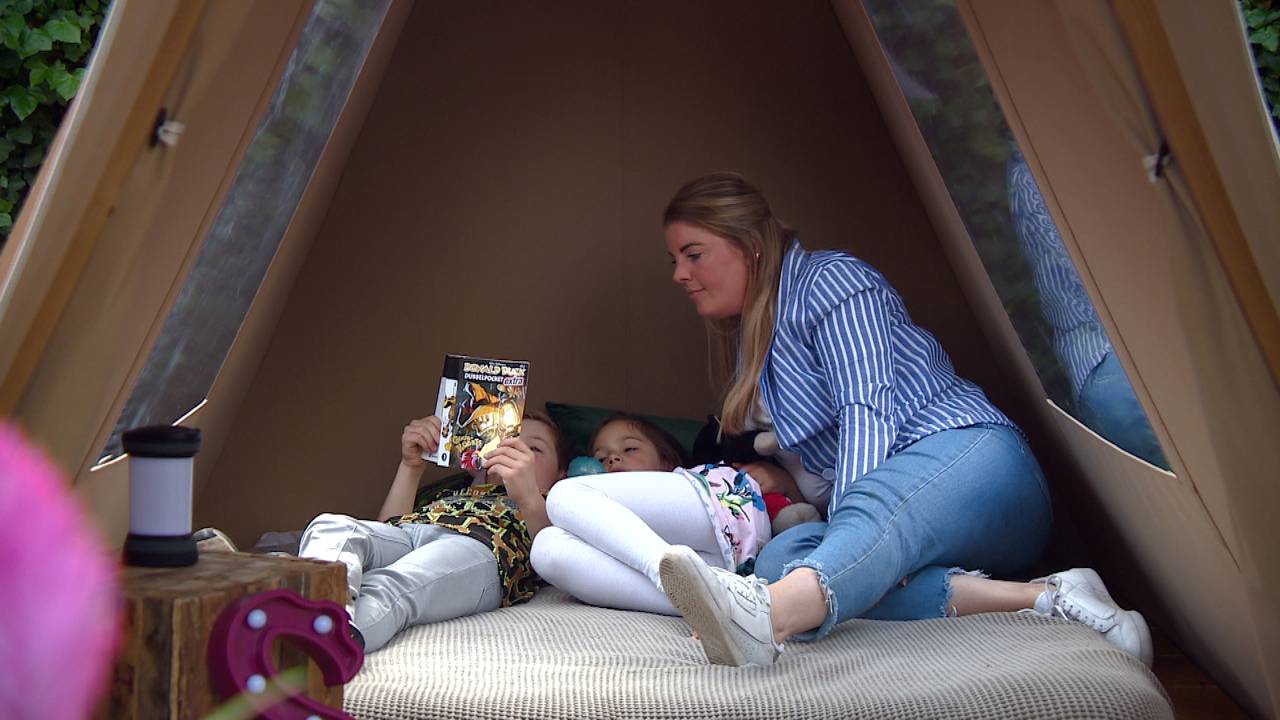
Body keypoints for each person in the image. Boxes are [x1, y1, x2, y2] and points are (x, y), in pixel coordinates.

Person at [652, 171, 1153, 668]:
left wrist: (848, 529)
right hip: (904, 527)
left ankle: (766, 619)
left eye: (693, 255)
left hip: (977, 463)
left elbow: (866, 411)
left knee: (852, 527)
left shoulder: (831, 281)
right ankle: (1046, 596)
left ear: (751, 247)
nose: (679, 275)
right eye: (675, 260)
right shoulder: (753, 339)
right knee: (781, 560)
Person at [298, 409, 567, 652]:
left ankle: (318, 645)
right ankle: (317, 616)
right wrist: (410, 467)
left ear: (561, 473)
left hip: (481, 546)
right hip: (413, 530)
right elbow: (386, 526)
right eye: (503, 441)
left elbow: (556, 559)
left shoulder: (555, 503)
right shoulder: (449, 491)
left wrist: (528, 497)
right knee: (331, 527)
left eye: (534, 448)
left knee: (389, 584)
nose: (512, 451)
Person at [530, 413, 772, 615]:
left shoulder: (683, 479)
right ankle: (718, 603)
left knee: (562, 495)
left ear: (666, 460)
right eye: (601, 458)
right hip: (728, 568)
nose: (612, 459)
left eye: (630, 448)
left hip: (726, 504)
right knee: (547, 550)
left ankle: (667, 573)